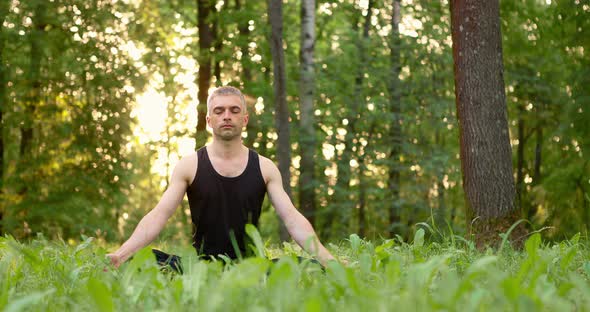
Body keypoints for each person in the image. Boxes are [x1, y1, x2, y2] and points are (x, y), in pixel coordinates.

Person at [107, 86, 336, 270]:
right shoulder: (189, 165)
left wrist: (329, 260)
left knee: (311, 268)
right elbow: (159, 215)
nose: (227, 116)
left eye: (234, 110)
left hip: (251, 268)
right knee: (140, 261)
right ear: (209, 120)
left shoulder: (265, 167)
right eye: (219, 111)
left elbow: (292, 218)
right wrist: (121, 254)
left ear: (244, 119)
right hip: (199, 267)